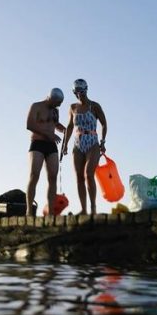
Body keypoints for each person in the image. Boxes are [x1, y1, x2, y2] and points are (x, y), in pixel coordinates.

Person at [62, 79, 108, 215]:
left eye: (81, 91)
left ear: (86, 90)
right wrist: (65, 144)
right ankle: (83, 209)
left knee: (88, 174)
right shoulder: (72, 107)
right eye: (76, 92)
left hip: (92, 142)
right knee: (79, 177)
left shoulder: (94, 106)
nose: (79, 94)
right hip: (77, 143)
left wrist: (103, 141)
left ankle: (93, 207)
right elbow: (70, 126)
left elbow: (104, 123)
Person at [26, 88, 66, 217]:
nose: (59, 105)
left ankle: (51, 212)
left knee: (53, 177)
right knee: (34, 175)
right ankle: (29, 210)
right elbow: (29, 125)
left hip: (51, 145)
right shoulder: (36, 106)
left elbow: (55, 124)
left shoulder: (55, 111)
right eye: (58, 102)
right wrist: (48, 134)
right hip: (37, 144)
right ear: (51, 98)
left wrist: (66, 130)